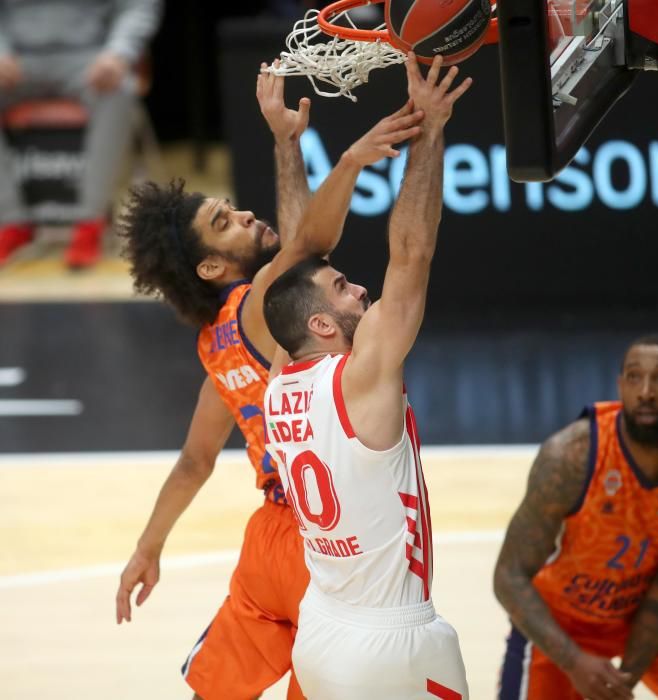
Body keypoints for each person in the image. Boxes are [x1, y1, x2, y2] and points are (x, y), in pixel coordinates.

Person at [114, 66, 424, 700]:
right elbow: (309, 244)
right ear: (211, 266)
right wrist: (343, 158)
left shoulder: (215, 348)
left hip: (267, 544)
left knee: (214, 693)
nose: (244, 216)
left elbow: (196, 460)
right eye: (226, 222)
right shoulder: (259, 305)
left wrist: (148, 548)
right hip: (327, 542)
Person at [262, 53, 472, 700]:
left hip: (322, 633)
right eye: (346, 290)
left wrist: (286, 145)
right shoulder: (361, 378)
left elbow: (301, 256)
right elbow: (412, 251)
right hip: (392, 644)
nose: (360, 291)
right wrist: (432, 129)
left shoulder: (277, 379)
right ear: (322, 326)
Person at [493, 335, 658, 700]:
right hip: (564, 620)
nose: (645, 391)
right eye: (634, 378)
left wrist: (624, 681)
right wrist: (574, 663)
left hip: (649, 611)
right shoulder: (571, 456)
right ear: (620, 386)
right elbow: (508, 576)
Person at [0, 0, 162, 268]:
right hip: (17, 59)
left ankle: (90, 221)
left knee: (120, 89)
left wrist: (118, 53)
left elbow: (138, 6)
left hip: (89, 58)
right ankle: (10, 221)